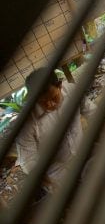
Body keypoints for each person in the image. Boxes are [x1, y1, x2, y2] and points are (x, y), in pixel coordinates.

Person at [15, 68, 96, 205]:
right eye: (43, 102)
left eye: (53, 98)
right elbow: (28, 162)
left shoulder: (71, 90)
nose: (50, 105)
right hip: (58, 176)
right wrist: (51, 184)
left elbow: (92, 112)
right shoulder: (27, 122)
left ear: (60, 85)